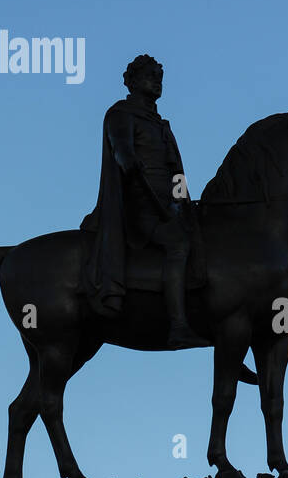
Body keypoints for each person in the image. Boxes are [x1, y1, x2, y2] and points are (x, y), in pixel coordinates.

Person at [81, 54, 210, 351]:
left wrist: (183, 205)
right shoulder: (121, 114)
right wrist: (159, 205)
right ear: (132, 82)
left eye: (159, 76)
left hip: (169, 205)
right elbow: (126, 159)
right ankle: (178, 326)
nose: (156, 81)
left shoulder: (162, 125)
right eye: (149, 76)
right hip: (141, 208)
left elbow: (176, 171)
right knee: (178, 245)